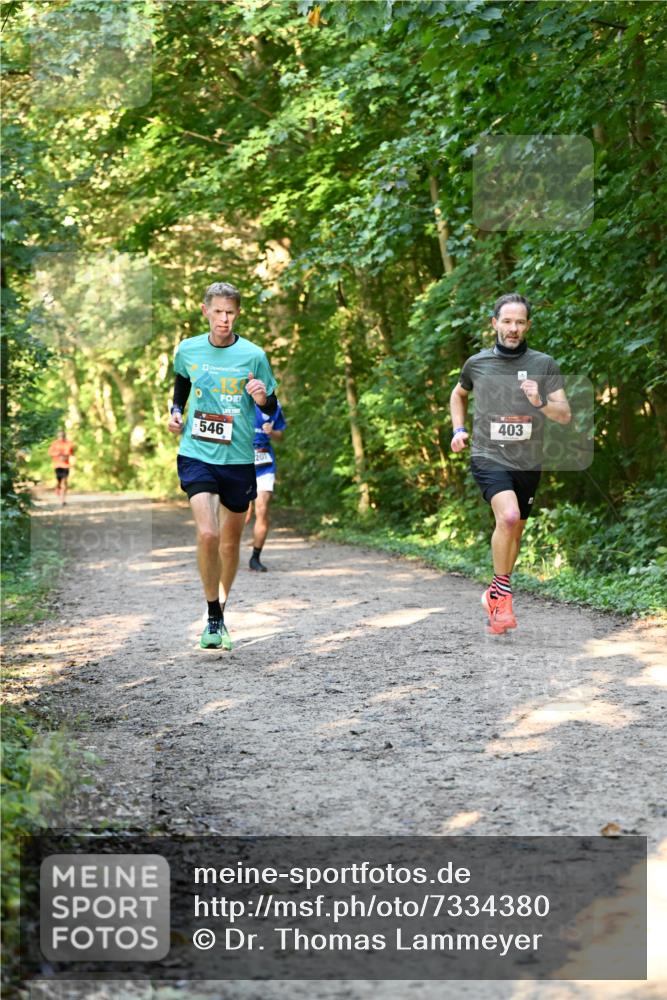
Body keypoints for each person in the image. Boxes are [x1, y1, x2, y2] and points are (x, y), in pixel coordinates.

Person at [449, 293, 571, 634]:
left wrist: (539, 400)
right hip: (488, 453)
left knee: (515, 529)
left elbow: (563, 415)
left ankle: (494, 593)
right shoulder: (477, 363)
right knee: (509, 516)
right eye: (507, 321)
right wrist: (458, 429)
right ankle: (503, 600)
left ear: (528, 325)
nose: (513, 328)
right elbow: (458, 393)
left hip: (529, 460)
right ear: (494, 323)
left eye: (520, 322)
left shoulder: (544, 364)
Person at [167, 281, 278, 650]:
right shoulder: (187, 349)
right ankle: (212, 614)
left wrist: (261, 398)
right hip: (196, 452)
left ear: (238, 314)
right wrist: (176, 411)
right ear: (205, 312)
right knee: (208, 534)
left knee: (230, 544)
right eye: (217, 311)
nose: (224, 319)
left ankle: (221, 610)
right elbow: (181, 382)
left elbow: (271, 407)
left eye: (230, 312)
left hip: (238, 458)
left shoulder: (253, 355)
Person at [246, 399, 288, 572]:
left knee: (262, 508)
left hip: (264, 464)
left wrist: (271, 432)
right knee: (240, 514)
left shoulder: (274, 405)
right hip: (240, 460)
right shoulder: (239, 400)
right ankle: (224, 550)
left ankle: (255, 557)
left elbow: (280, 436)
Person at [47, 430, 75, 505]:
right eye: (60, 436)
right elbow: (49, 453)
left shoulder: (69, 444)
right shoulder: (54, 444)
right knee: (59, 482)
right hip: (57, 465)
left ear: (64, 436)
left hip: (66, 465)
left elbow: (72, 453)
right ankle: (57, 488)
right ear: (58, 436)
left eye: (62, 436)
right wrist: (58, 454)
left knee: (64, 482)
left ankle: (62, 499)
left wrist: (68, 457)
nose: (61, 437)